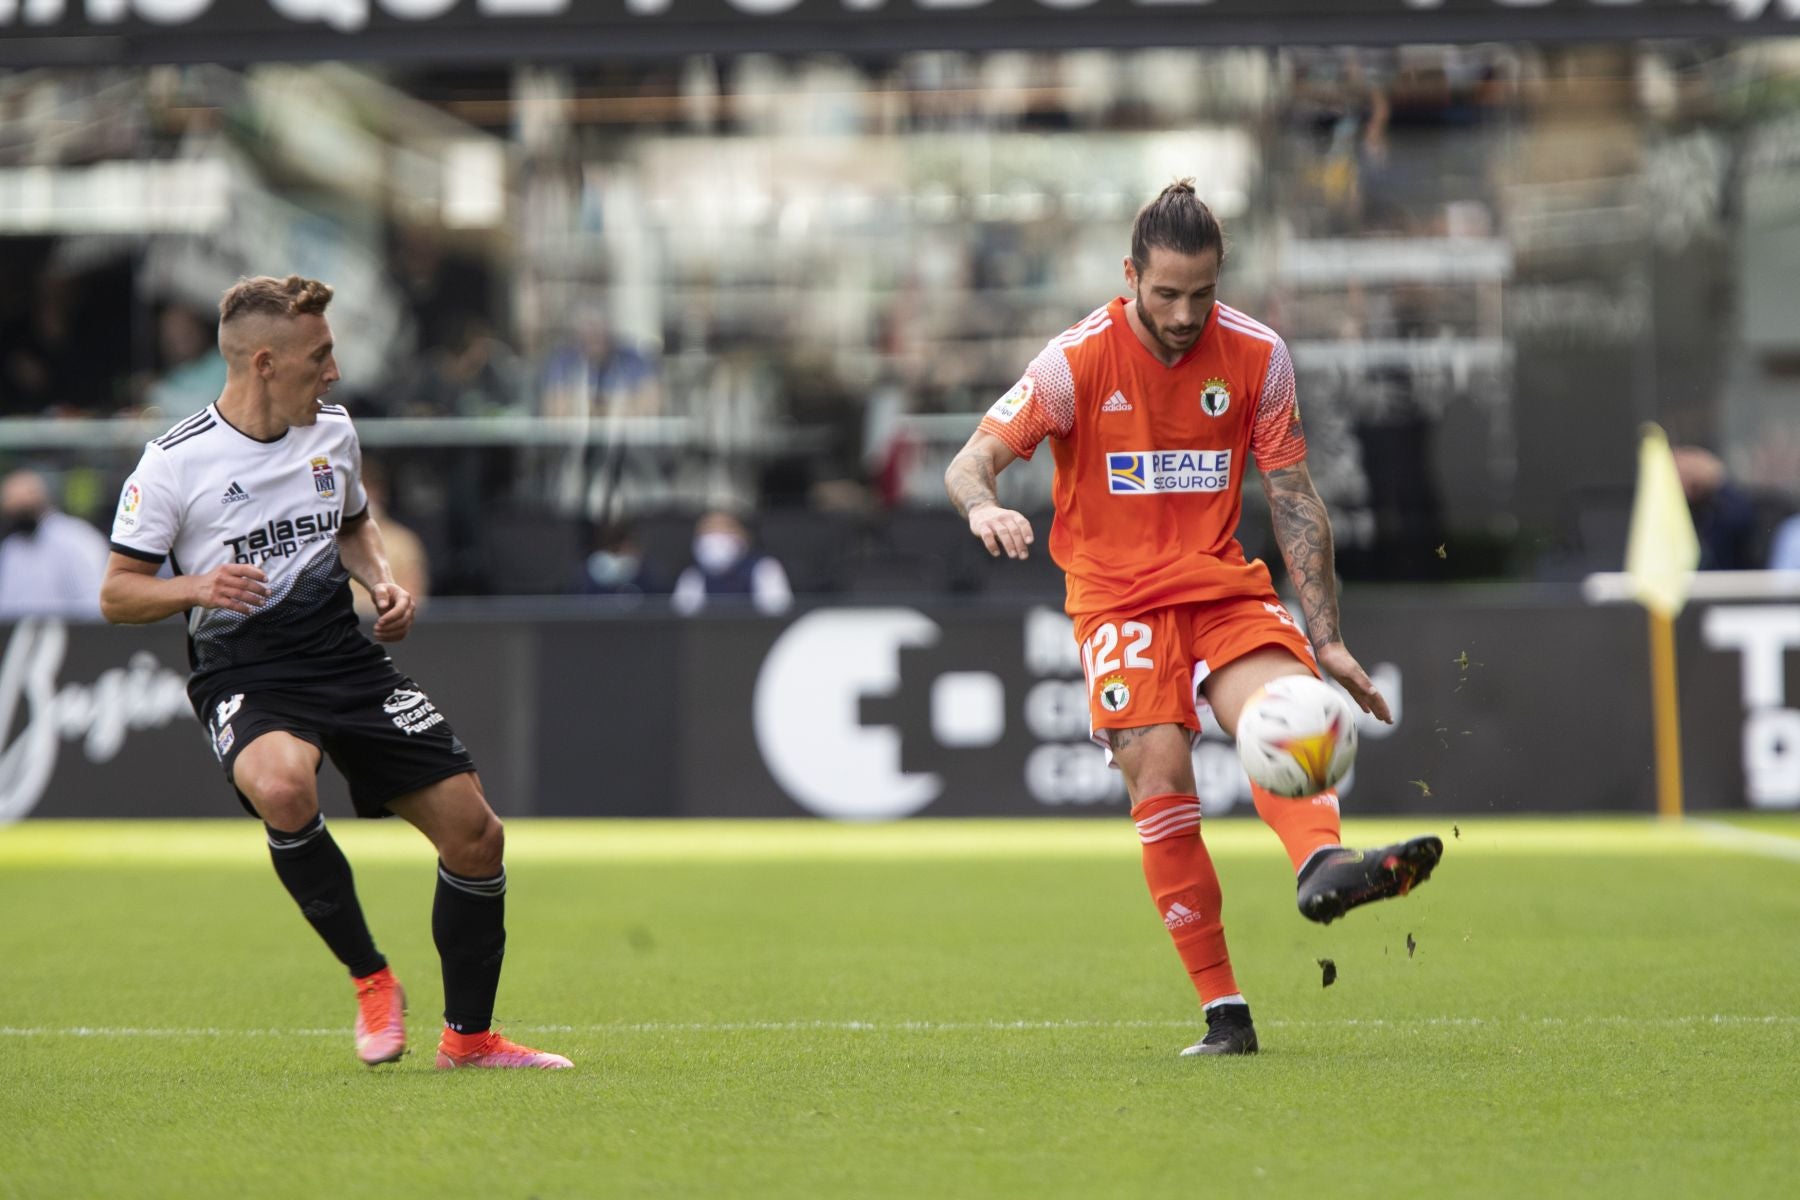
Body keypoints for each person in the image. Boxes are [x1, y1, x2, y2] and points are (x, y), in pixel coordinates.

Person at [945, 181, 1442, 1058]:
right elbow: (969, 463)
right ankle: (1225, 1013)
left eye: (1201, 294)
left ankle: (1323, 866)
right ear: (1129, 275)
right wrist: (985, 507)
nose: (1183, 313)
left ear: (1221, 280)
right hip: (1117, 597)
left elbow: (1293, 496)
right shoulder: (1074, 362)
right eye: (1166, 293)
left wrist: (1325, 640)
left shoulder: (1257, 354)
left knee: (1289, 708)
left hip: (1218, 585)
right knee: (1163, 772)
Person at [99, 275, 570, 1071]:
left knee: (477, 837)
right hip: (246, 668)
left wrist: (379, 579)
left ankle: (470, 1040)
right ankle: (372, 979)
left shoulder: (333, 432)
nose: (336, 372)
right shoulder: (174, 464)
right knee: (283, 785)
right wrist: (194, 586)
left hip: (344, 659)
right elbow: (117, 592)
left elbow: (355, 524)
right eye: (320, 356)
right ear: (263, 364)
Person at [0, 468, 110, 620]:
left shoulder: (75, 538)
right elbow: (6, 605)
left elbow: (93, 601)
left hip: (72, 636)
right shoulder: (12, 547)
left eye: (23, 507)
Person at [671, 510, 793, 616]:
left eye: (724, 529)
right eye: (708, 531)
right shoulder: (692, 576)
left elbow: (777, 613)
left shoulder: (765, 568)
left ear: (744, 535)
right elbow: (683, 618)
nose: (715, 537)